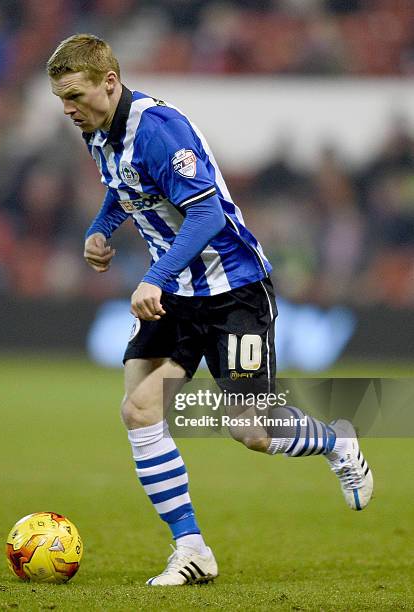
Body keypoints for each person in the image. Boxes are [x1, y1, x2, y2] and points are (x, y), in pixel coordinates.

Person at [47, 34, 373, 586]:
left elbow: (206, 218)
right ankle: (192, 549)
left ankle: (337, 440)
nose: (67, 109)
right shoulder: (97, 130)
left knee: (249, 429)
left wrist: (153, 275)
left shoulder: (158, 129)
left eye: (75, 96)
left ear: (109, 82)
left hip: (234, 292)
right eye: (61, 99)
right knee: (139, 410)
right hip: (178, 298)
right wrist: (101, 229)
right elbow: (122, 186)